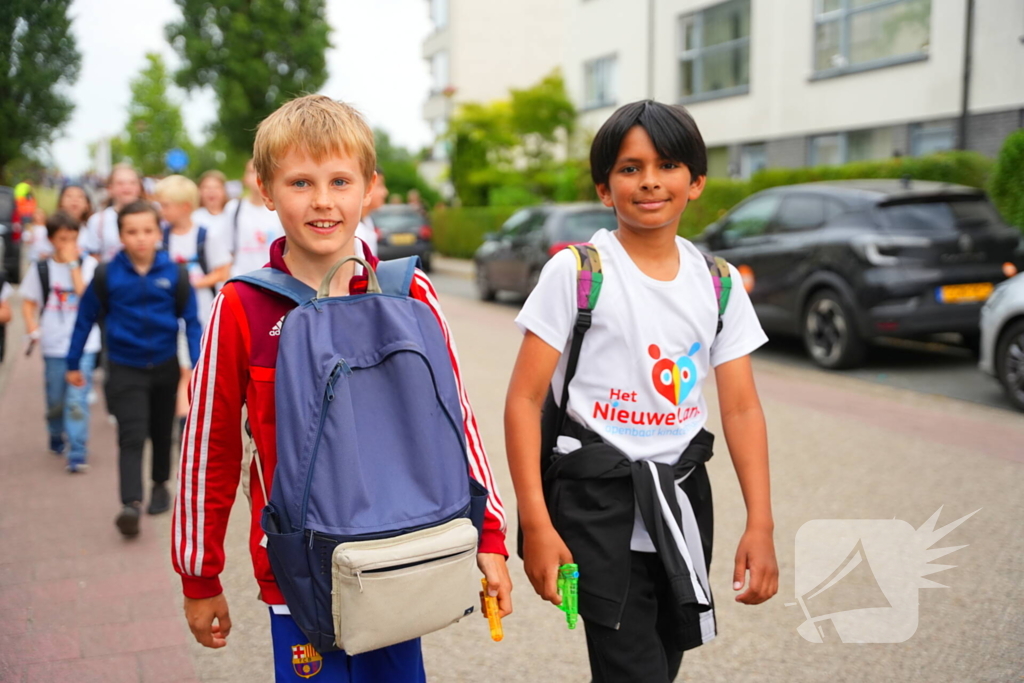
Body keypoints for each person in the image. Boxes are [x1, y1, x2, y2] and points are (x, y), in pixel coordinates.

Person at [171, 94, 510, 681]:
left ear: (369, 189)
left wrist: (489, 534)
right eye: (300, 182)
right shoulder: (242, 306)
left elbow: (458, 423)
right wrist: (199, 574)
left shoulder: (410, 296)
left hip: (404, 556)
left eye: (340, 181)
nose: (323, 201)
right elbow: (211, 448)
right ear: (265, 189)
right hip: (301, 572)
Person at [505, 100, 779, 683]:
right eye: (630, 168)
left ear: (696, 181)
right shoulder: (577, 272)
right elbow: (525, 400)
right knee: (635, 671)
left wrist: (762, 522)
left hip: (681, 506)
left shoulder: (719, 283)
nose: (650, 180)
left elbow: (741, 406)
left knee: (663, 659)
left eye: (669, 164)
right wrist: (535, 523)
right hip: (597, 508)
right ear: (605, 189)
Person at [66, 200, 201, 537]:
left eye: (147, 230)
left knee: (160, 431)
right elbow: (84, 319)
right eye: (132, 232)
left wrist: (197, 364)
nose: (140, 238)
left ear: (159, 232)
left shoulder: (175, 272)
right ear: (121, 235)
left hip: (165, 366)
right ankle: (131, 504)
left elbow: (192, 322)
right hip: (125, 366)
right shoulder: (106, 274)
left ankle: (159, 484)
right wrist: (72, 362)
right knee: (132, 434)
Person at [21, 212, 102, 472]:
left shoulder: (88, 264)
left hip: (84, 344)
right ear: (51, 239)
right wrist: (32, 325)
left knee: (76, 400)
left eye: (73, 238)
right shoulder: (41, 268)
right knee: (55, 398)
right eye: (62, 239)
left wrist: (72, 266)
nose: (68, 244)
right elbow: (28, 301)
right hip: (54, 344)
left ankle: (77, 451)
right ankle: (56, 432)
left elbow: (86, 297)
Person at [154, 175, 233, 430]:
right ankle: (184, 420)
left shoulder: (205, 236)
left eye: (165, 205)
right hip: (168, 315)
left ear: (184, 206)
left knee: (195, 367)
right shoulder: (160, 237)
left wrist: (190, 283)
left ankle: (189, 420)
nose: (161, 210)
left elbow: (223, 271)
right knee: (183, 369)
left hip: (201, 314)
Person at [225, 159, 285, 277]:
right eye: (252, 172)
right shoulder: (233, 208)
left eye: (261, 172)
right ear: (245, 178)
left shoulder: (280, 208)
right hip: (241, 279)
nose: (257, 176)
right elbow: (225, 248)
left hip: (273, 280)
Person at [80, 164, 144, 263]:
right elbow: (93, 257)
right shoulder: (98, 220)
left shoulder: (151, 217)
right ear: (110, 189)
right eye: (120, 183)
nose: (127, 187)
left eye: (132, 183)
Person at [354, 166, 387, 257]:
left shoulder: (368, 221)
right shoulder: (354, 230)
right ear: (367, 188)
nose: (385, 192)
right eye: (380, 185)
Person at [192, 170, 231, 240]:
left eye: (216, 187)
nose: (211, 191)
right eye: (206, 187)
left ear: (224, 191)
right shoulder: (193, 217)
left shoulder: (233, 213)